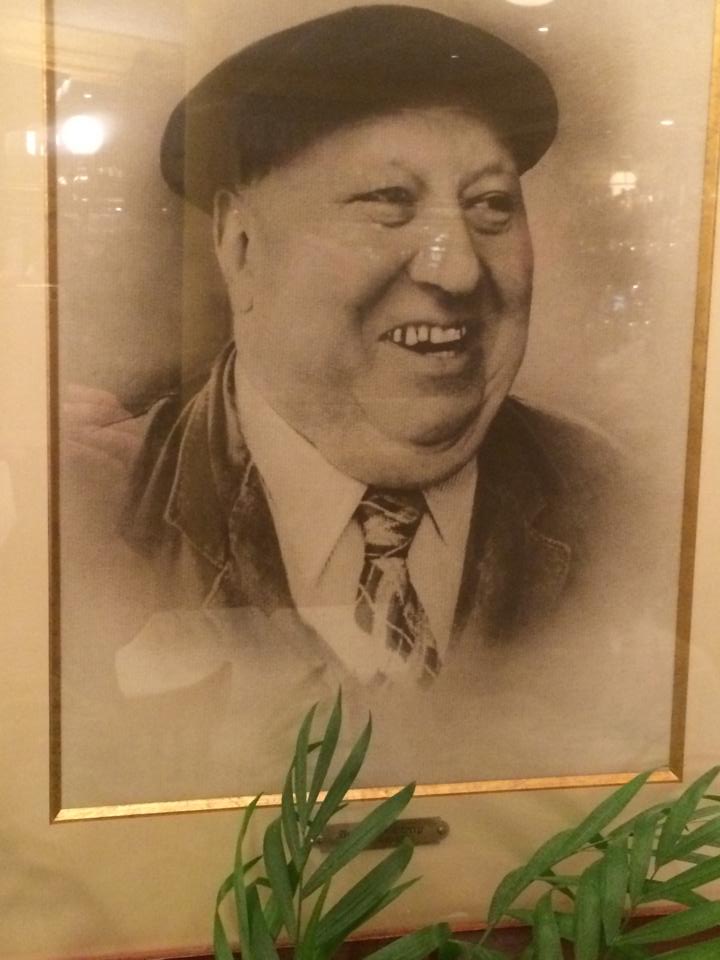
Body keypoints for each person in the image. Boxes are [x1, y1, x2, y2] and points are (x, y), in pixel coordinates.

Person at [62, 5, 658, 803]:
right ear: (241, 247)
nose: (458, 271)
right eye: (388, 200)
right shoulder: (97, 512)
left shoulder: (618, 504)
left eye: (490, 205)